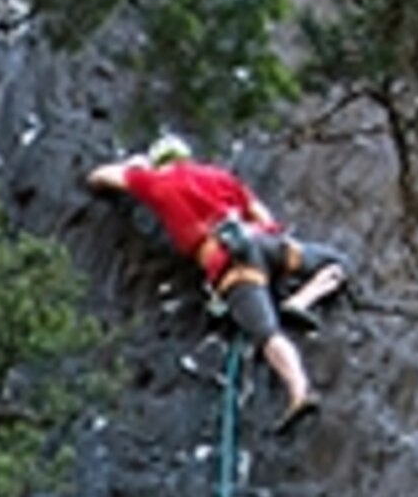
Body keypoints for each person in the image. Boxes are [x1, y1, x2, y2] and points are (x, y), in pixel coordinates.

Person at [87, 137, 348, 427]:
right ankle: (301, 300)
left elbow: (100, 176)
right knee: (335, 263)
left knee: (266, 332)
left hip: (229, 261)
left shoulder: (155, 181)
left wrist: (132, 167)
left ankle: (299, 391)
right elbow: (261, 213)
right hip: (264, 242)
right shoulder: (220, 176)